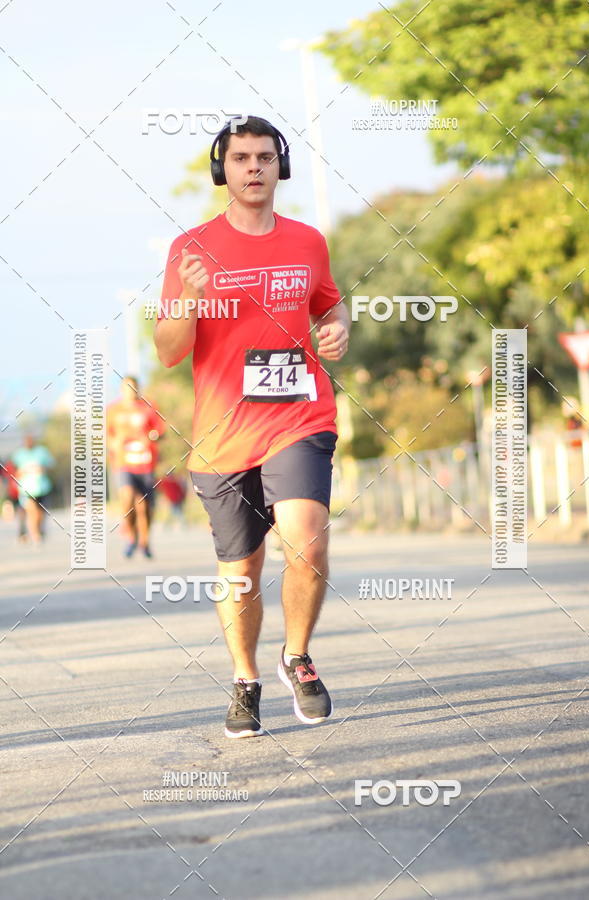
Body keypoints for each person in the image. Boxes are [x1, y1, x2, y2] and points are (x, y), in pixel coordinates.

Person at [155, 115, 350, 738]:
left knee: (308, 539)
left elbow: (328, 299)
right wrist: (187, 300)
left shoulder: (307, 241)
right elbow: (167, 351)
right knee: (240, 570)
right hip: (223, 433)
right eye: (241, 158)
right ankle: (245, 679)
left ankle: (298, 656)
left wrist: (339, 326)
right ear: (224, 169)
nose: (255, 167)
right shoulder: (190, 249)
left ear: (279, 166)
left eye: (265, 156)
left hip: (300, 414)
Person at [107, 375, 165, 558]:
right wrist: (114, 443)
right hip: (124, 463)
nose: (130, 392)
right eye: (127, 388)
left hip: (145, 463)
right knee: (127, 497)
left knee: (145, 505)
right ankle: (131, 536)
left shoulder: (149, 406)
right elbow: (107, 435)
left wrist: (152, 437)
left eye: (134, 388)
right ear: (121, 390)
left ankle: (145, 541)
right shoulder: (113, 410)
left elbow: (160, 431)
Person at [11, 436, 55, 543]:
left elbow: (51, 465)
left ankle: (38, 530)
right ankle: (35, 535)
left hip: (42, 488)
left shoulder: (42, 451)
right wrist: (22, 472)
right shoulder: (18, 454)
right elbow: (12, 471)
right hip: (26, 489)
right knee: (31, 512)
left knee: (40, 513)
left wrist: (42, 469)